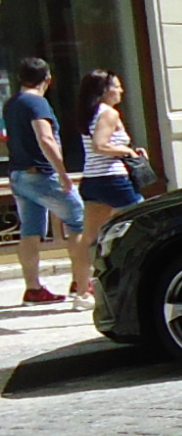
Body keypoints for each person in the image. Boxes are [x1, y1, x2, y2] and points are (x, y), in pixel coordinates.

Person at [7, 57, 86, 306]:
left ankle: (33, 288)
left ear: (20, 78)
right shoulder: (37, 103)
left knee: (29, 232)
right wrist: (63, 174)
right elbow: (46, 138)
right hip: (41, 174)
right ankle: (82, 282)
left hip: (19, 174)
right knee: (78, 220)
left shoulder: (11, 103)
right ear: (48, 79)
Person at [75, 70, 147, 249]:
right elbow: (100, 145)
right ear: (104, 90)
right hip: (113, 179)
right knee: (144, 221)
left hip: (92, 180)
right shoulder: (108, 113)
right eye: (117, 86)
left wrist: (128, 149)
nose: (121, 90)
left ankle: (82, 277)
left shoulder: (89, 112)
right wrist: (128, 152)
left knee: (90, 237)